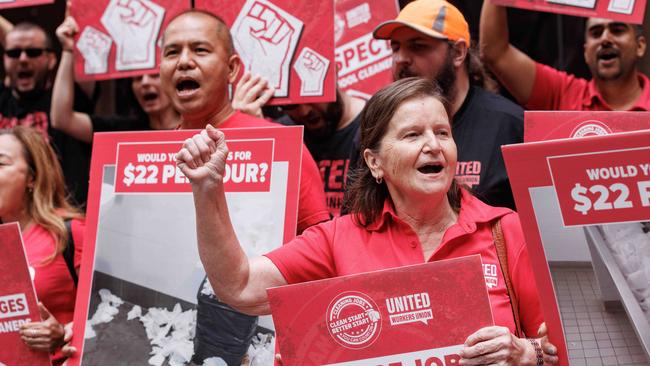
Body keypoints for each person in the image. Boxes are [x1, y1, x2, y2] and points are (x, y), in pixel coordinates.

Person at [177, 77, 559, 366]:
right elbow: (239, 286)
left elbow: (564, 347)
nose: (434, 145)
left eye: (442, 132)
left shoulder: (506, 230)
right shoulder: (337, 238)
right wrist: (208, 189)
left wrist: (527, 353)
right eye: (412, 134)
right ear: (375, 162)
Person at [158, 10, 329, 365]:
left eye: (200, 50)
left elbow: (321, 250)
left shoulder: (279, 144)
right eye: (172, 52)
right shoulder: (151, 153)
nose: (184, 62)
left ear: (233, 68)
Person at [369, 0, 522, 210]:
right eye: (395, 47)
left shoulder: (509, 125)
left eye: (418, 46)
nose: (401, 58)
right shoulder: (376, 126)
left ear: (458, 52)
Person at [0, 126, 84, 366]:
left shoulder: (70, 232)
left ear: (32, 177)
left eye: (1, 163)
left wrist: (63, 332)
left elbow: (109, 311)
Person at [480, 2, 649, 111]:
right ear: (585, 51)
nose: (605, 39)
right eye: (595, 33)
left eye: (617, 30)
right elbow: (496, 53)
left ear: (640, 46)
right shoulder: (562, 94)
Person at [0, 21, 96, 205]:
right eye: (13, 53)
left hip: (60, 218)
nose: (23, 59)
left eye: (33, 52)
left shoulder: (67, 99)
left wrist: (69, 46)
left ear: (52, 59)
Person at [50, 16, 180, 143]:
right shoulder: (123, 131)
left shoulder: (196, 130)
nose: (145, 83)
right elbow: (62, 119)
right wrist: (68, 50)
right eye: (138, 78)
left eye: (155, 76)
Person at [277, 89, 365, 217]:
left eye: (311, 94)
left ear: (334, 72)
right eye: (291, 105)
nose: (304, 111)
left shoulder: (377, 125)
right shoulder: (282, 132)